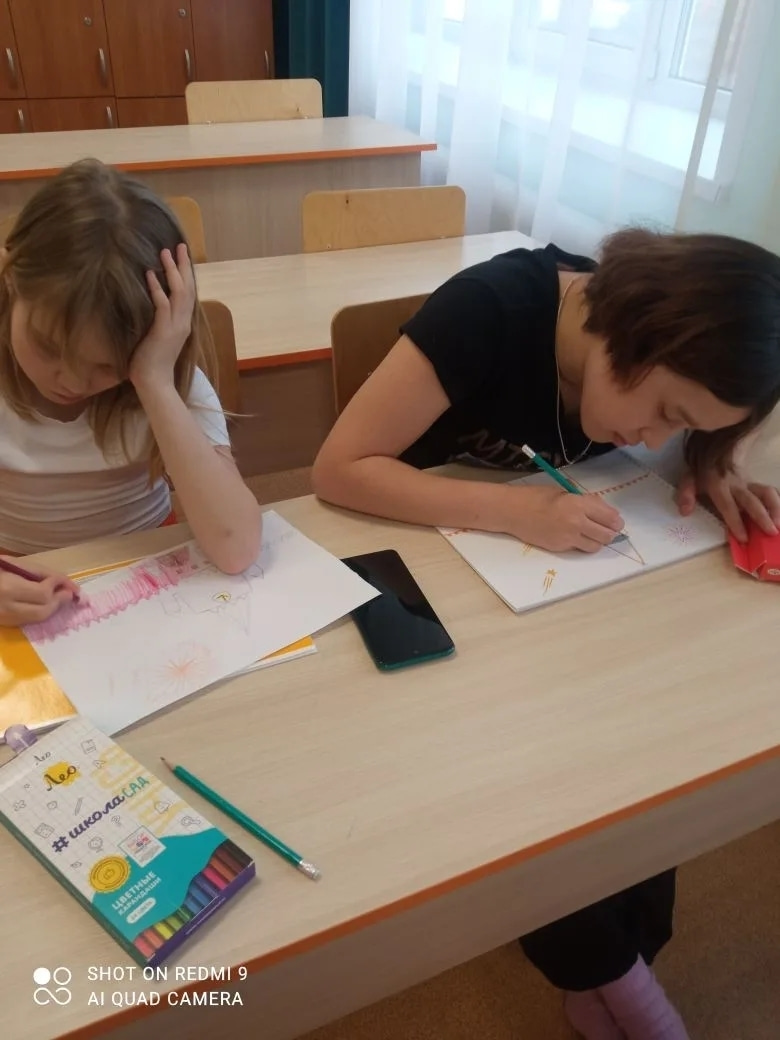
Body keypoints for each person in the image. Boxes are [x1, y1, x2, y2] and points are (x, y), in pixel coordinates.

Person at [312, 229, 780, 1040]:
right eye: (668, 413)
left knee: (643, 761)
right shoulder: (488, 310)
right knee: (536, 791)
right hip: (438, 586)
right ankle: (617, 982)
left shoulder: (656, 357)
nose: (657, 438)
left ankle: (617, 969)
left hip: (564, 600)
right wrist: (512, 509)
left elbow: (683, 438)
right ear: (634, 332)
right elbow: (337, 468)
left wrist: (711, 464)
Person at [0, 159, 261, 628]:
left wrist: (154, 380)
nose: (71, 381)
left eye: (106, 365)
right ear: (10, 280)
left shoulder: (166, 378)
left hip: (145, 572)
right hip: (15, 576)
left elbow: (236, 547)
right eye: (48, 347)